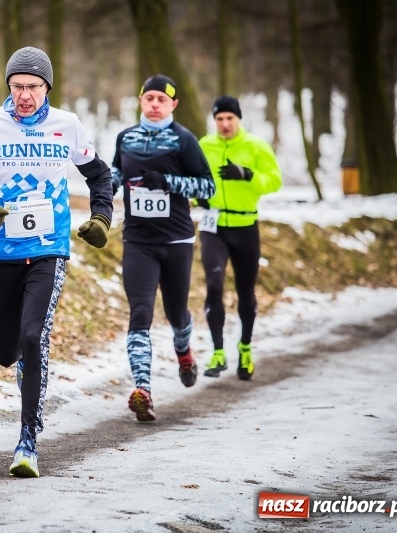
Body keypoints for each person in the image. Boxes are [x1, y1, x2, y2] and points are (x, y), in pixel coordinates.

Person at [0, 46, 113, 478]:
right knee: (7, 350)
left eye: (33, 87)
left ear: (47, 88)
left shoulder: (67, 126)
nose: (25, 95)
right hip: (0, 251)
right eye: (17, 87)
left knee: (34, 337)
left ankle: (27, 441)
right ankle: (22, 371)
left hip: (49, 248)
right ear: (8, 88)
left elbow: (100, 175)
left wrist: (101, 217)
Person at [110, 74, 215, 422]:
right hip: (138, 241)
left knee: (176, 313)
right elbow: (114, 173)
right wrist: (103, 188)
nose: (154, 104)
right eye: (149, 98)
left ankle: (184, 349)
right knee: (140, 312)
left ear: (173, 104)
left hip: (177, 241)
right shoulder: (125, 138)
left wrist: (167, 182)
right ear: (140, 100)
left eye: (161, 99)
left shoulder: (184, 140)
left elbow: (207, 187)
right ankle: (143, 390)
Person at [197, 95, 282, 380]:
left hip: (246, 226)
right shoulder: (204, 145)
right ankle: (218, 352)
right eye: (219, 119)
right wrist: (199, 197)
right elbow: (194, 177)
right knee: (214, 285)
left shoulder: (256, 146)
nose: (224, 124)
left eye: (229, 118)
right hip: (214, 226)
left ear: (239, 119)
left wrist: (247, 174)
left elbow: (274, 181)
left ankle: (245, 347)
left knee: (246, 291)